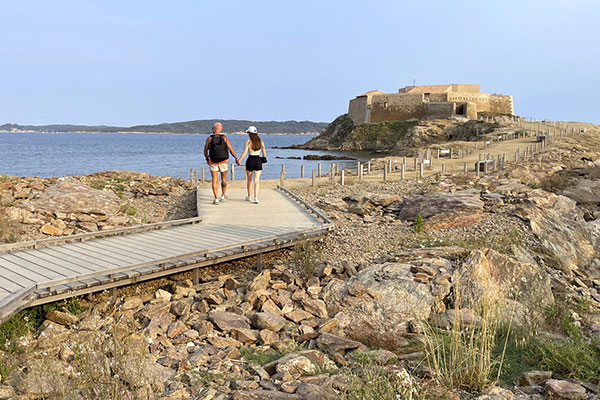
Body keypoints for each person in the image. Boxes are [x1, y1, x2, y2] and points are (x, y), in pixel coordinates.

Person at [203, 122, 239, 205]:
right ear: (220, 129)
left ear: (213, 129)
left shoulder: (209, 138)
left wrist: (207, 159)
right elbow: (231, 149)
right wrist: (236, 158)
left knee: (214, 180)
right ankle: (222, 196)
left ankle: (216, 198)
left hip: (213, 162)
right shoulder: (225, 138)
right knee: (224, 179)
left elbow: (205, 150)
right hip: (223, 162)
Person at [237, 126, 266, 204]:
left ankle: (249, 196)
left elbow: (245, 152)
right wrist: (264, 158)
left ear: (250, 133)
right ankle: (256, 198)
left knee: (249, 180)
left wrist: (239, 160)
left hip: (250, 160)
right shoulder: (261, 141)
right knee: (257, 180)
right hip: (258, 160)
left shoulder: (248, 141)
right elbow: (264, 150)